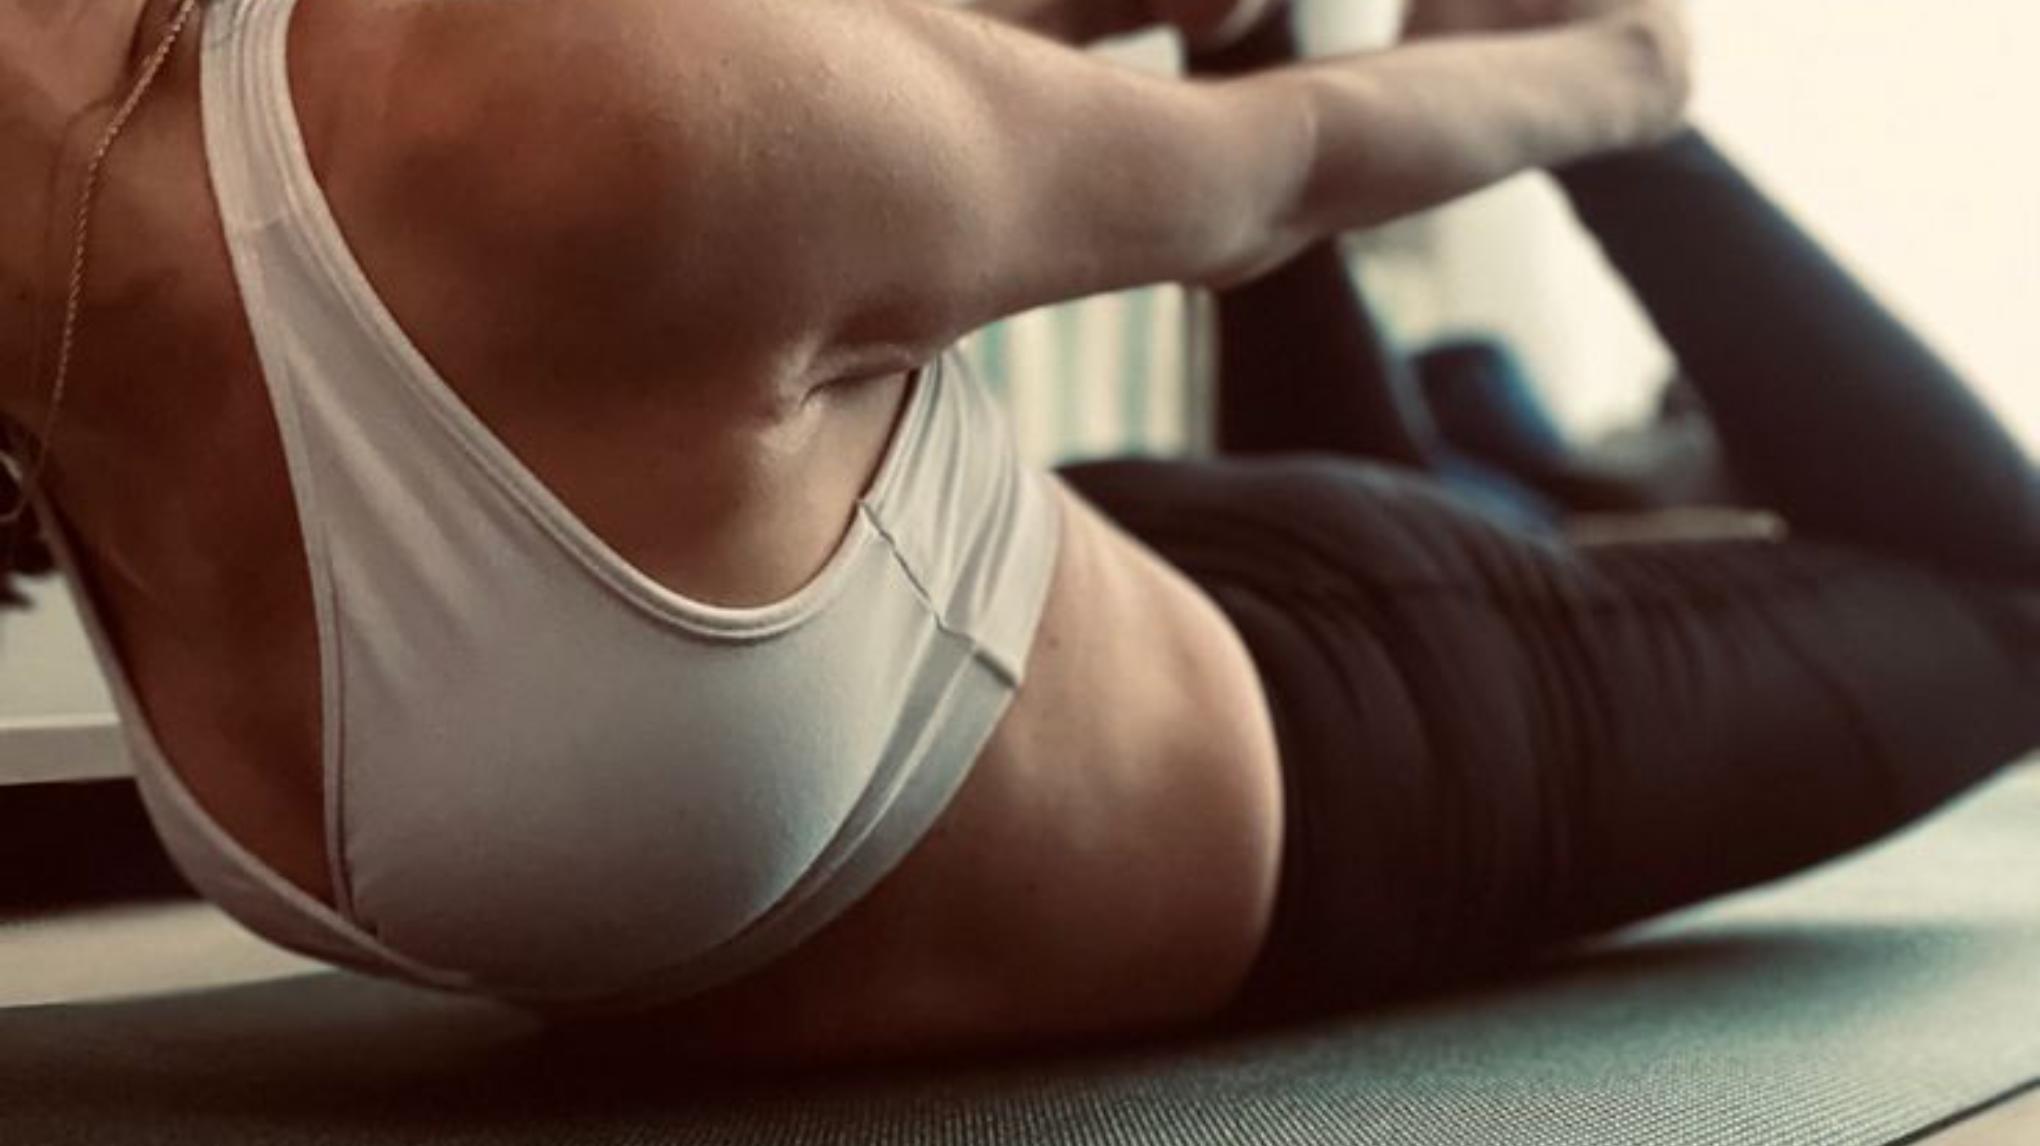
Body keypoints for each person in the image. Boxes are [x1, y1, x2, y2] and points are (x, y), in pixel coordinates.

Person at [0, 0, 2030, 1068]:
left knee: (2008, 601)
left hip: (1325, 709)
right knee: (1457, 469)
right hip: (975, 624)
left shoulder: (510, 106)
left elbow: (1265, 178)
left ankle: (1638, 105)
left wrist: (1617, 74)